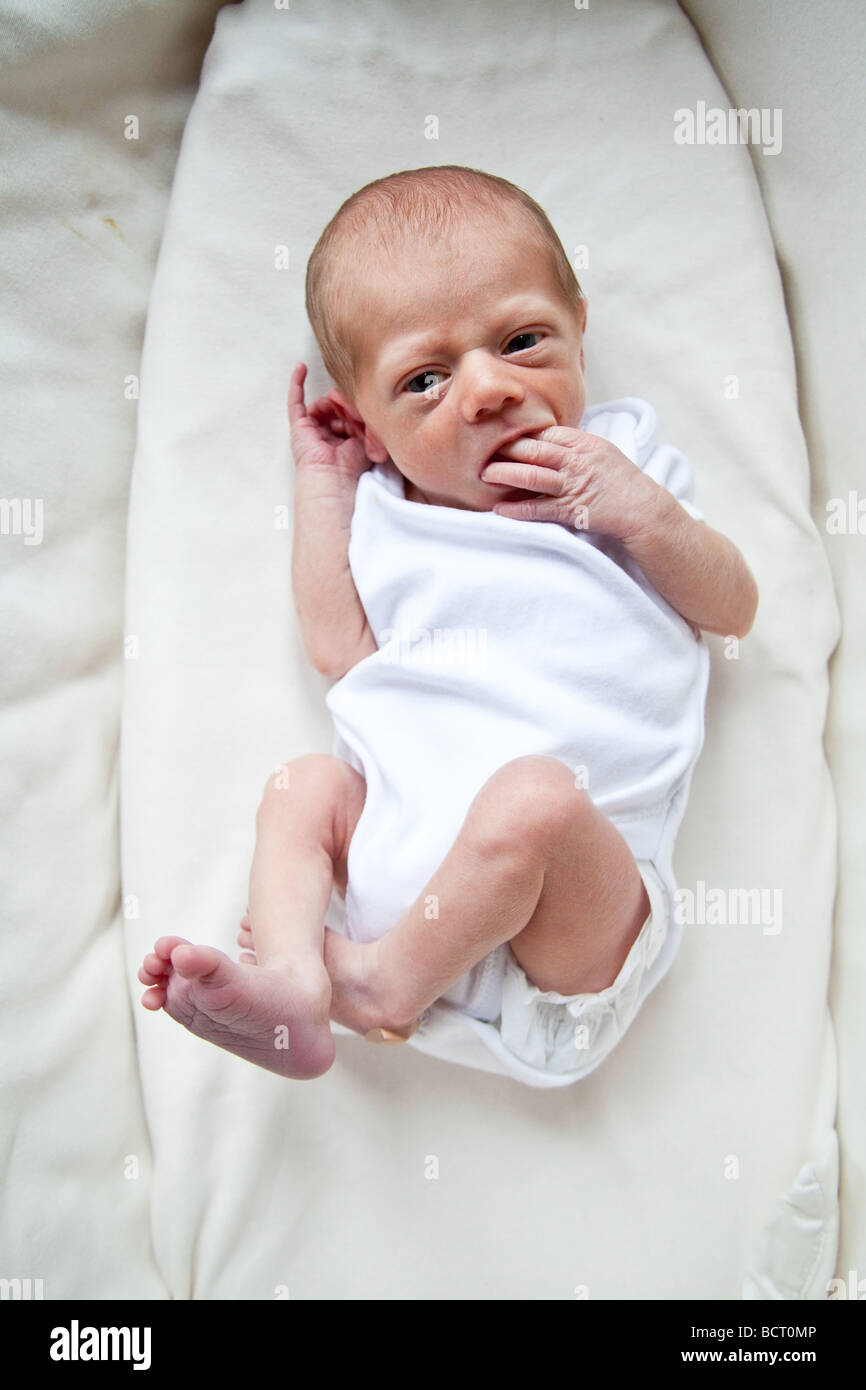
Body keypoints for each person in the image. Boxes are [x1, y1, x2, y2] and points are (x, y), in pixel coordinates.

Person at [139, 165, 758, 1085]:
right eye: (425, 380)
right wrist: (326, 484)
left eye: (521, 340)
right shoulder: (391, 513)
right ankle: (297, 988)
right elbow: (341, 652)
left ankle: (382, 990)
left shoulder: (624, 467)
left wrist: (642, 513)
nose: (487, 390)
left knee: (537, 798)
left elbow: (735, 607)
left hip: (568, 929)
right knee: (303, 786)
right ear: (371, 427)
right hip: (403, 873)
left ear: (581, 331)